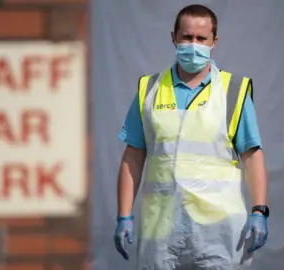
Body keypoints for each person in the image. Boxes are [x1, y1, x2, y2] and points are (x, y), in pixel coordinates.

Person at [114, 4, 269, 269]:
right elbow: (133, 155)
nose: (193, 44)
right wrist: (123, 215)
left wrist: (259, 210)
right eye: (187, 37)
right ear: (173, 38)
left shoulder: (233, 91)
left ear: (214, 42)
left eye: (201, 39)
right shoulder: (149, 89)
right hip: (161, 230)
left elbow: (252, 155)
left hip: (219, 232)